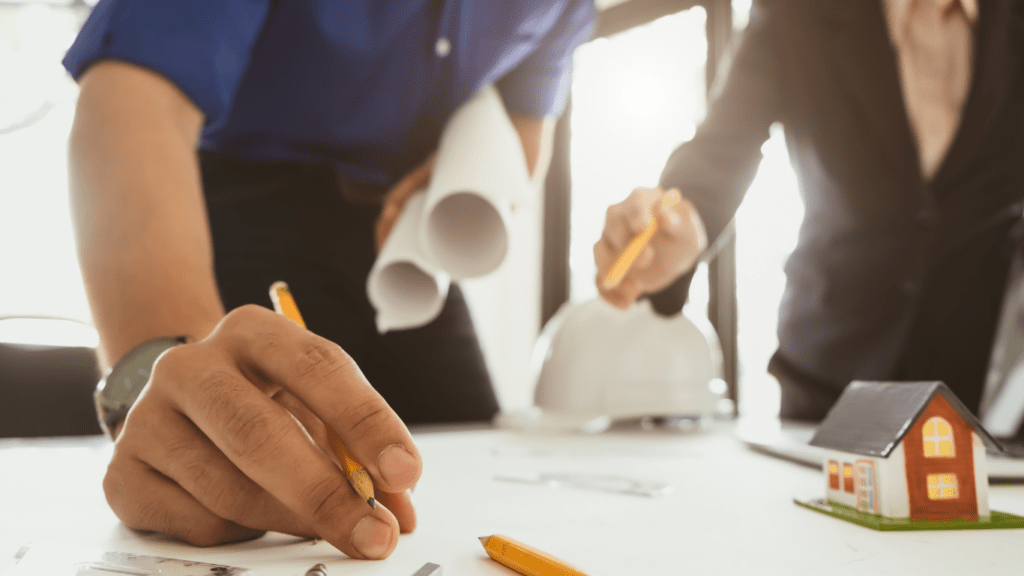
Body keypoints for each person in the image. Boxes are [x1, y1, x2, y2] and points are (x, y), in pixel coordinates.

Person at [62, 0, 595, 560]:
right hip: (236, 203)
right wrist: (154, 375)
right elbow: (134, 98)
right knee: (225, 472)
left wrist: (461, 180)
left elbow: (524, 127)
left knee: (479, 462)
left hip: (402, 235)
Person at [595, 0, 1024, 423]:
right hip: (830, 376)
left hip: (991, 385)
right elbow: (720, 150)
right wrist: (678, 225)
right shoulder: (796, 11)